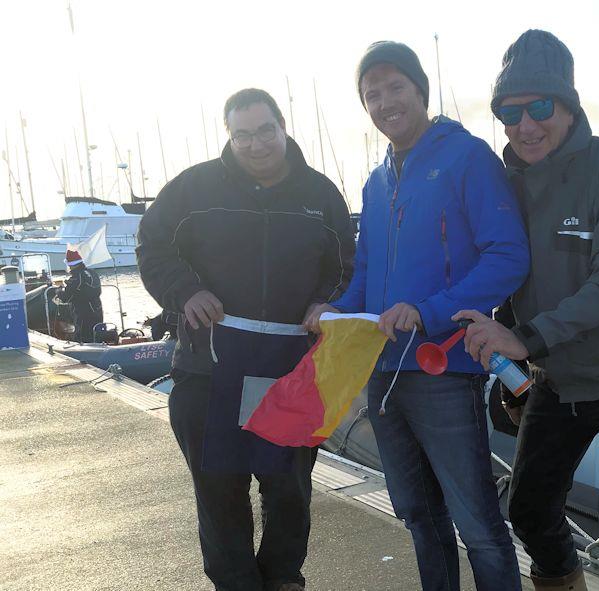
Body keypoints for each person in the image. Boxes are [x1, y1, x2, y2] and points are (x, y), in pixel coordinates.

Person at [454, 29, 599, 591]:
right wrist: (507, 349)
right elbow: (509, 274)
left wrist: (527, 339)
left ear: (569, 106)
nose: (525, 125)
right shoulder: (503, 182)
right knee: (530, 511)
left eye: (540, 107)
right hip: (558, 378)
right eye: (510, 114)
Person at [306, 41, 529, 591]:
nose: (385, 102)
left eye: (395, 87)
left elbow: (509, 256)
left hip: (443, 369)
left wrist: (427, 311)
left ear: (420, 91)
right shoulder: (376, 181)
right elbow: (366, 276)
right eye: (371, 94)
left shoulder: (467, 157)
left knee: (477, 523)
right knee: (418, 517)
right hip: (382, 372)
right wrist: (334, 310)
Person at [136, 88, 354, 591]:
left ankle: (283, 579)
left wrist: (328, 302)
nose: (255, 144)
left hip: (292, 375)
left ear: (283, 126)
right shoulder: (192, 189)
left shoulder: (320, 195)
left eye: (265, 131)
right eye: (243, 135)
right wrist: (184, 292)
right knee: (219, 495)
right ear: (229, 136)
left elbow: (345, 266)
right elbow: (152, 245)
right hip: (206, 371)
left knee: (289, 491)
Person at [58, 249, 102, 342]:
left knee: (83, 335)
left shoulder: (76, 277)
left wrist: (58, 291)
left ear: (71, 264)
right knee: (97, 332)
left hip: (84, 312)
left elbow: (66, 297)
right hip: (97, 308)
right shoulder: (92, 272)